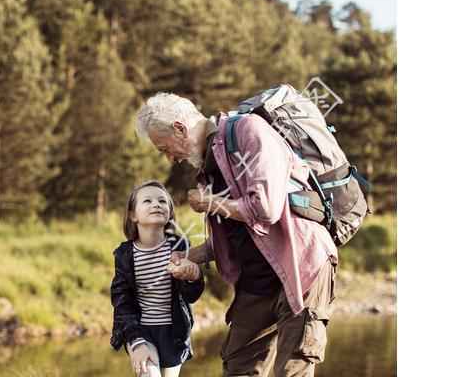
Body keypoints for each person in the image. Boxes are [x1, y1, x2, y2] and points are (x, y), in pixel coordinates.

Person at [135, 93, 338, 377]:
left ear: (180, 129)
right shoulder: (207, 167)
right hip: (256, 280)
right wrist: (186, 255)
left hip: (300, 267)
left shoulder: (249, 131)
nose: (170, 158)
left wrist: (209, 203)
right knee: (238, 367)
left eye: (165, 148)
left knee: (292, 370)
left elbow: (264, 208)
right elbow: (234, 239)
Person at [110, 181, 205, 377]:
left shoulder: (179, 246)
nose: (156, 204)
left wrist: (194, 276)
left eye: (163, 201)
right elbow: (122, 301)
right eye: (147, 201)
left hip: (175, 331)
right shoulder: (125, 254)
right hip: (140, 329)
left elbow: (190, 296)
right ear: (133, 215)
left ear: (170, 213)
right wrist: (135, 340)